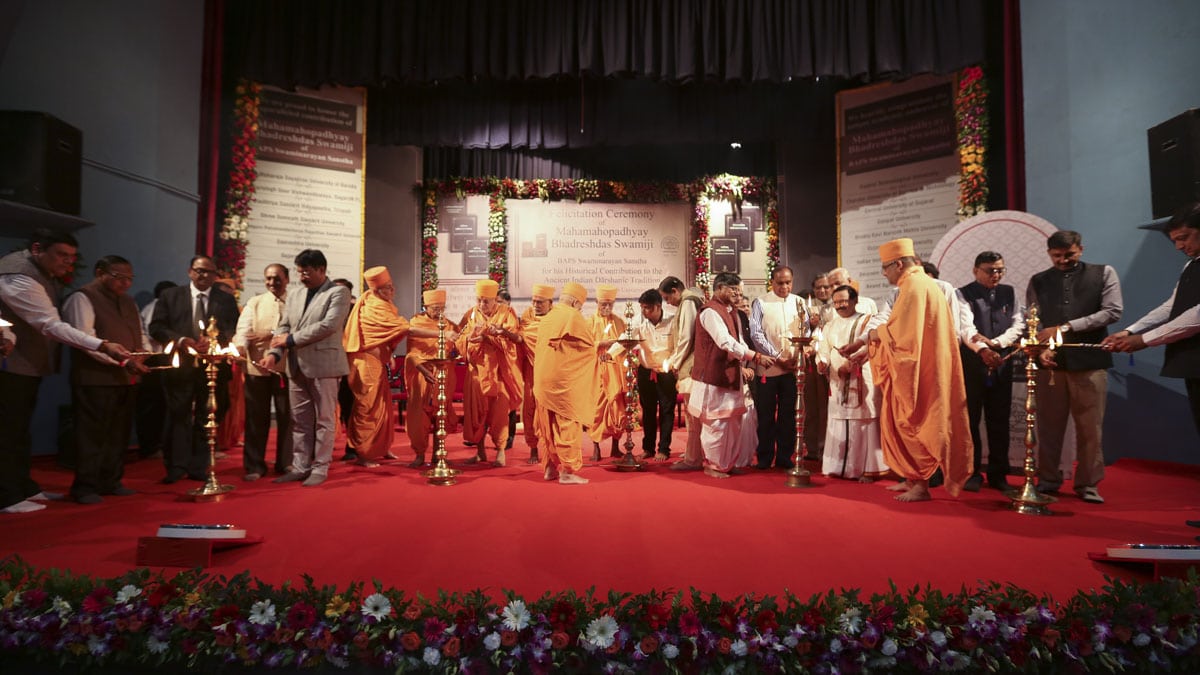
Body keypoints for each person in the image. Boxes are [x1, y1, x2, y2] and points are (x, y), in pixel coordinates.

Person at [0, 229, 132, 514]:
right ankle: (7, 495)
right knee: (7, 430)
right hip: (8, 363)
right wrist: (102, 344)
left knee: (21, 429)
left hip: (26, 364)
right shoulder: (18, 275)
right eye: (62, 255)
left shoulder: (41, 274)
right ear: (37, 249)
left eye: (72, 258)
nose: (67, 263)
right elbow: (48, 323)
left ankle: (23, 486)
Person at [866, 238, 973, 502]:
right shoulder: (919, 284)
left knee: (914, 420)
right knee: (907, 421)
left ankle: (921, 486)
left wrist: (875, 333)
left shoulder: (914, 286)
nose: (884, 273)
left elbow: (902, 336)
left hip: (918, 370)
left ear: (899, 264)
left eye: (886, 267)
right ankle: (912, 478)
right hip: (923, 365)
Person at [1027, 230, 1122, 504]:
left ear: (1080, 249)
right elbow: (1035, 321)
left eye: (1069, 254)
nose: (1063, 260)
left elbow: (1113, 311)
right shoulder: (1039, 281)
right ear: (1049, 254)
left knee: (1090, 428)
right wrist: (1043, 348)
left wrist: (1067, 327)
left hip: (1090, 363)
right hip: (1051, 365)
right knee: (1048, 428)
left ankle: (1088, 485)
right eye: (1056, 256)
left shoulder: (1103, 273)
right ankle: (1047, 481)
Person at [1102, 204, 1200, 436]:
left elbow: (1196, 315)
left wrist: (1145, 339)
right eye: (1174, 240)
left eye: (1184, 238)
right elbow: (1172, 306)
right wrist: (1130, 331)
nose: (1179, 246)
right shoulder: (1191, 265)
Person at [62, 255, 151, 504]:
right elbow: (85, 340)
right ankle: (85, 487)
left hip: (126, 378)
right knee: (92, 434)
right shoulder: (82, 297)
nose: (125, 283)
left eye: (129, 279)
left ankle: (111, 481)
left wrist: (142, 356)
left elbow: (140, 332)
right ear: (99, 272)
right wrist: (125, 362)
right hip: (95, 379)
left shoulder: (128, 301)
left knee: (118, 434)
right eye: (118, 277)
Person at [260, 249, 352, 487]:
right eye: (300, 272)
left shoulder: (338, 292)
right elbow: (284, 326)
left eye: (307, 272)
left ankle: (320, 468)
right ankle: (300, 466)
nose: (302, 277)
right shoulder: (296, 294)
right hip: (295, 367)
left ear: (322, 270)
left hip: (325, 366)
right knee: (299, 421)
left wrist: (289, 340)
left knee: (324, 420)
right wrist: (273, 353)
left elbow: (329, 325)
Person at [148, 254, 239, 484]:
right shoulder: (171, 296)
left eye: (208, 272)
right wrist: (181, 340)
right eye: (199, 270)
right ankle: (176, 466)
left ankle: (199, 466)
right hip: (180, 366)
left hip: (212, 367)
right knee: (177, 414)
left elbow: (233, 328)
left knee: (206, 416)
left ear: (215, 275)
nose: (203, 275)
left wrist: (217, 343)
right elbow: (157, 327)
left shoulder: (225, 300)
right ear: (190, 271)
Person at [344, 266, 434, 466]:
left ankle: (380, 447)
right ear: (377, 290)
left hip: (376, 362)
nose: (393, 291)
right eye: (389, 288)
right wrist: (440, 333)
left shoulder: (380, 304)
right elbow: (405, 329)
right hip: (365, 364)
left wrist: (389, 353)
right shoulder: (372, 306)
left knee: (382, 406)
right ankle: (364, 453)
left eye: (392, 287)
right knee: (367, 407)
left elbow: (385, 335)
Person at [688, 272, 772, 478]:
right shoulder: (710, 312)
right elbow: (724, 342)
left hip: (731, 376)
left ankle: (726, 462)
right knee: (716, 423)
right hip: (713, 378)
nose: (738, 293)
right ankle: (713, 465)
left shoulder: (731, 311)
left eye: (740, 289)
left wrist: (752, 358)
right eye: (733, 289)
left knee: (733, 422)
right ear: (719, 289)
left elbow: (739, 341)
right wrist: (755, 356)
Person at [957, 252, 1025, 491]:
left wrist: (997, 343)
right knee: (971, 422)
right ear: (975, 271)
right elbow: (966, 328)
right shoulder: (962, 293)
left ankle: (999, 475)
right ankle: (972, 472)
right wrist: (984, 350)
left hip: (1002, 364)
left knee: (1000, 422)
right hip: (973, 364)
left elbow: (1019, 324)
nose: (995, 275)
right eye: (989, 270)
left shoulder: (1010, 292)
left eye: (999, 270)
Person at [816, 285, 886, 481]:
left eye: (844, 301)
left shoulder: (867, 321)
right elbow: (823, 348)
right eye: (836, 302)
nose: (840, 306)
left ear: (855, 301)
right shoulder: (830, 325)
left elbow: (872, 345)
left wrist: (851, 362)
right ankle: (837, 467)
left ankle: (867, 469)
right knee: (838, 420)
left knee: (863, 421)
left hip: (860, 376)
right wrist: (822, 362)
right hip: (837, 381)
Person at [232, 263, 292, 481]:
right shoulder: (255, 303)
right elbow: (243, 331)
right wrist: (238, 348)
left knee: (288, 417)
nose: (272, 282)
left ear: (287, 278)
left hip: (286, 369)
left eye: (277, 278)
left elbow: (297, 331)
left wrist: (270, 333)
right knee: (256, 418)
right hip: (256, 368)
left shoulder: (294, 303)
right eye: (268, 278)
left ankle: (286, 462)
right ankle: (254, 466)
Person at [533, 282, 597, 484]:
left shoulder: (548, 316)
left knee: (547, 425)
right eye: (580, 306)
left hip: (542, 380)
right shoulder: (573, 316)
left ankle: (550, 468)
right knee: (567, 422)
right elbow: (589, 348)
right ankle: (567, 471)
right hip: (563, 382)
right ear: (576, 302)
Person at [456, 279, 522, 466]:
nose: (481, 305)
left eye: (486, 301)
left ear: (495, 300)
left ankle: (500, 451)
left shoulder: (506, 313)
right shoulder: (472, 314)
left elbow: (511, 341)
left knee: (499, 413)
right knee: (476, 412)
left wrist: (488, 337)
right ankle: (480, 451)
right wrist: (468, 340)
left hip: (498, 371)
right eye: (479, 300)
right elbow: (461, 340)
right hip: (476, 371)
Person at [748, 266, 802, 469]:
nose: (784, 286)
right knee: (766, 415)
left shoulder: (800, 302)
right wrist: (778, 358)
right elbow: (756, 334)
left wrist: (796, 358)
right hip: (768, 369)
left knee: (789, 415)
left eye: (788, 282)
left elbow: (804, 331)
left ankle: (785, 457)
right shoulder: (760, 303)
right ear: (772, 282)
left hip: (792, 368)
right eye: (780, 282)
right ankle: (764, 457)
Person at [405, 288, 462, 467]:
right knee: (418, 417)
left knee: (441, 414)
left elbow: (458, 348)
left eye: (441, 308)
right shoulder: (416, 322)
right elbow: (412, 352)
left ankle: (439, 454)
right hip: (422, 374)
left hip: (444, 375)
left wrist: (455, 352)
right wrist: (422, 369)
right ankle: (420, 454)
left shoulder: (451, 325)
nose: (439, 312)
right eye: (435, 308)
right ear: (426, 307)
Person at [659, 275, 706, 471]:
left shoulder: (688, 303)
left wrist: (674, 363)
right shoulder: (691, 301)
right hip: (692, 363)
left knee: (693, 415)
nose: (668, 303)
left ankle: (693, 458)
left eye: (667, 298)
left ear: (675, 290)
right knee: (694, 414)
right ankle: (694, 455)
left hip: (691, 364)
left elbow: (687, 338)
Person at [514, 284, 556, 464]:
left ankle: (552, 450)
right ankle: (533, 449)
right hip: (532, 373)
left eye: (540, 302)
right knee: (530, 411)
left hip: (551, 373)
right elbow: (521, 339)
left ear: (550, 303)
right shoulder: (526, 319)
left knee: (551, 413)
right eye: (534, 302)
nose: (536, 305)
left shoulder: (556, 320)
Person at [134, 280, 176, 460]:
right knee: (153, 405)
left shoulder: (160, 307)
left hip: (163, 358)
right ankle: (150, 447)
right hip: (154, 359)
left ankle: (159, 444)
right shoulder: (155, 307)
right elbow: (154, 333)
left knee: (162, 405)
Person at [634, 288, 676, 461]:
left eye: (648, 308)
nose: (644, 312)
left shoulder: (672, 322)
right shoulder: (639, 323)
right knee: (648, 411)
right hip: (646, 372)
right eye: (643, 308)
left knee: (667, 411)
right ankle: (648, 448)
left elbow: (678, 346)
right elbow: (625, 338)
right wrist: (610, 352)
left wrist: (672, 363)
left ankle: (664, 449)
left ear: (658, 306)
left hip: (665, 372)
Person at [588, 284, 628, 461]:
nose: (606, 308)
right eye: (603, 304)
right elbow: (584, 346)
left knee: (617, 408)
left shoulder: (619, 322)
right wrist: (601, 344)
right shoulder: (588, 322)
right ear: (596, 302)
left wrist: (616, 346)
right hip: (596, 371)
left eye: (609, 305)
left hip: (615, 371)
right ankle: (596, 447)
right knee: (596, 410)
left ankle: (615, 447)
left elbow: (625, 344)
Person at [331, 277, 359, 462]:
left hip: (350, 366)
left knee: (350, 407)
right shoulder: (327, 309)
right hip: (328, 365)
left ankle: (352, 447)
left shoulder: (356, 313)